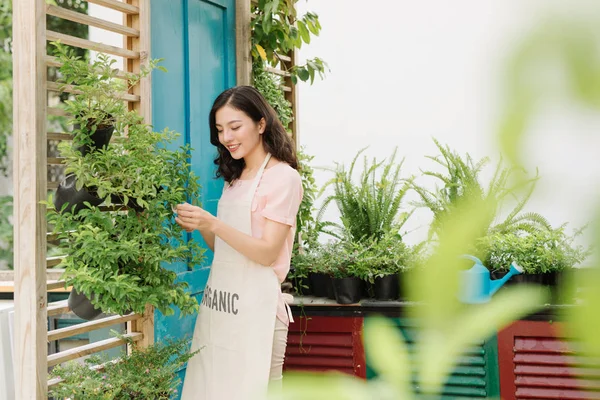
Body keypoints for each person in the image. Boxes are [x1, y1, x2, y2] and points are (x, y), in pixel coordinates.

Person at [176, 85, 303, 400]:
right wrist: (202, 223)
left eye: (235, 127)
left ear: (261, 124)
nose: (226, 137)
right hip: (223, 307)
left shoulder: (283, 178)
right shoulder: (236, 177)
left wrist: (214, 223)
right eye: (220, 130)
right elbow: (225, 251)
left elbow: (266, 253)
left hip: (258, 313)